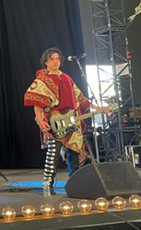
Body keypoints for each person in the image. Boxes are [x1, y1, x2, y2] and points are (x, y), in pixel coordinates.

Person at [24, 47, 109, 197]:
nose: (55, 61)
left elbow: (81, 98)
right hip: (54, 121)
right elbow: (37, 101)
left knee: (74, 154)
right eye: (52, 59)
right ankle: (47, 185)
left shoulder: (67, 78)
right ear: (45, 62)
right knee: (53, 154)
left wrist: (98, 108)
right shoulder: (42, 80)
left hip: (71, 120)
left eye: (57, 58)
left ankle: (75, 185)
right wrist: (39, 120)